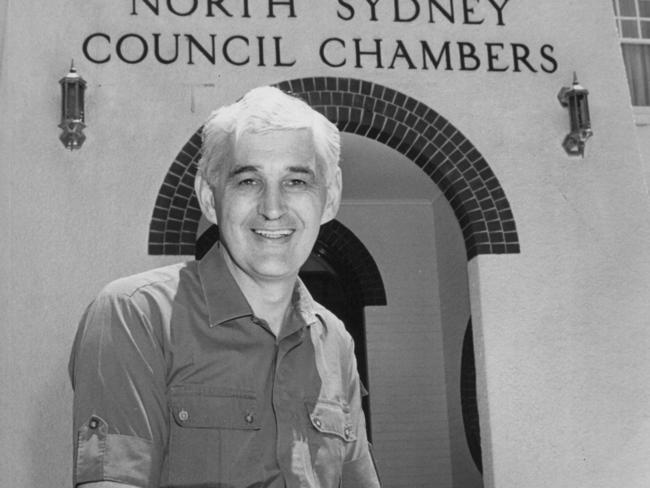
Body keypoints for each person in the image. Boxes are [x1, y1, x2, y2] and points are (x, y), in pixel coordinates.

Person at [69, 86, 381, 488]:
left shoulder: (335, 339)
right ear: (209, 198)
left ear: (331, 196)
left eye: (297, 181)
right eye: (248, 180)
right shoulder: (134, 315)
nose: (272, 208)